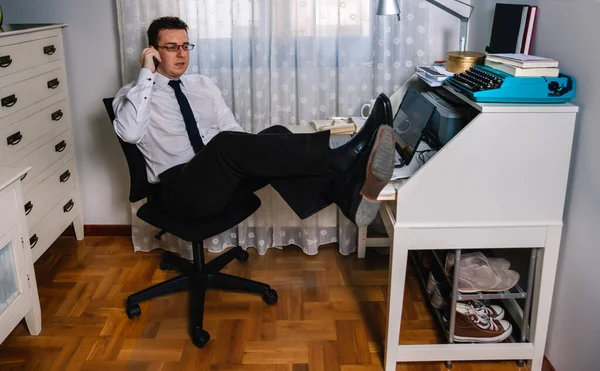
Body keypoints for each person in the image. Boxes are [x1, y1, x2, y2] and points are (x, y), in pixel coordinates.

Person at [112, 16, 394, 228]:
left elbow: (232, 131)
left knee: (274, 134)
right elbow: (131, 133)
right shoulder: (133, 94)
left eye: (185, 45)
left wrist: (257, 153)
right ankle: (344, 159)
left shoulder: (202, 85)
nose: (182, 53)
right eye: (172, 47)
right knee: (226, 146)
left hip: (221, 180)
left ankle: (346, 194)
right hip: (181, 192)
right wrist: (145, 74)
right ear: (153, 51)